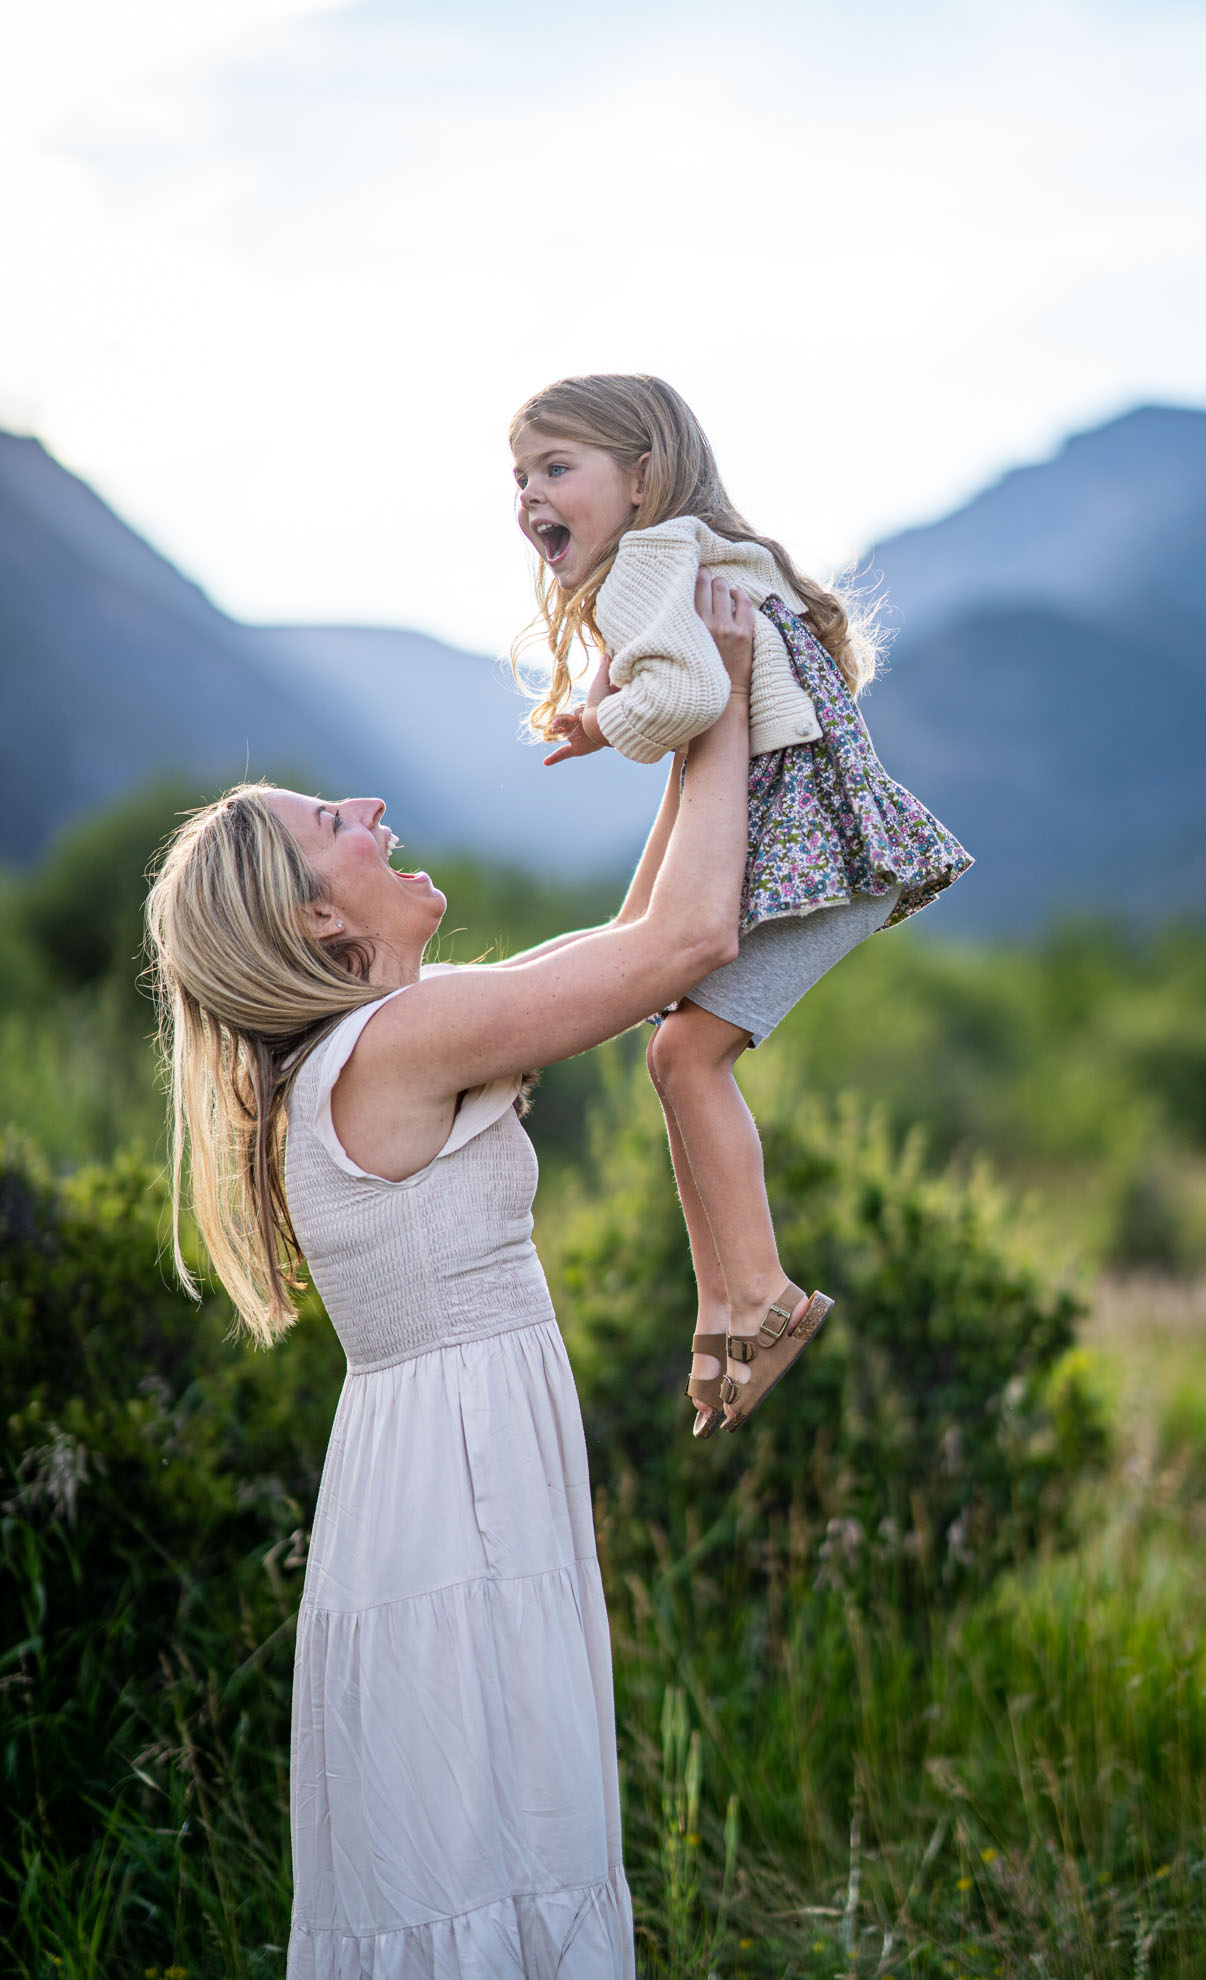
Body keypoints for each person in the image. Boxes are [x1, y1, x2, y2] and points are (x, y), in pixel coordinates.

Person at [142, 576, 755, 1980]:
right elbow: (689, 946)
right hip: (458, 1483)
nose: (366, 808)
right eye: (330, 825)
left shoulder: (386, 1044)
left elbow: (633, 942)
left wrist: (687, 734)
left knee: (478, 1839)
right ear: (318, 927)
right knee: (491, 1841)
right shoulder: (401, 1045)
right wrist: (713, 708)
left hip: (438, 1465)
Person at [510, 373, 973, 1437]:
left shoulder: (652, 565)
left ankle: (760, 1291)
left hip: (814, 850)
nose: (531, 493)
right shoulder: (704, 557)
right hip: (810, 835)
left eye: (556, 467)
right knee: (674, 1046)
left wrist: (600, 722)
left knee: (682, 1056)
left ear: (643, 478)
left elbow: (688, 697)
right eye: (522, 474)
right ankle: (725, 1305)